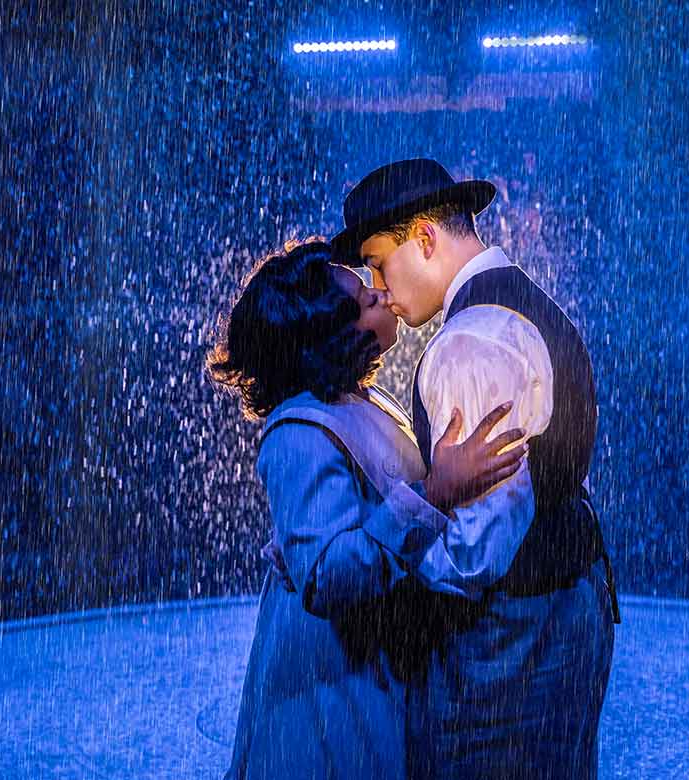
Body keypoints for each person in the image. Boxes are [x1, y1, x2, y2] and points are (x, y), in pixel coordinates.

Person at [330, 158, 619, 780]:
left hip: (512, 637)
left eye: (378, 262)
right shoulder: (513, 299)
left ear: (425, 239)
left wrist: (385, 594)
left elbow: (476, 550)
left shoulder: (471, 340)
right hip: (559, 605)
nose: (377, 286)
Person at [208, 238, 528, 780]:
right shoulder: (298, 434)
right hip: (328, 685)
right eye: (364, 298)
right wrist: (436, 494)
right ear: (331, 334)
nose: (381, 293)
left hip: (370, 662)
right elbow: (325, 576)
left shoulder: (362, 401)